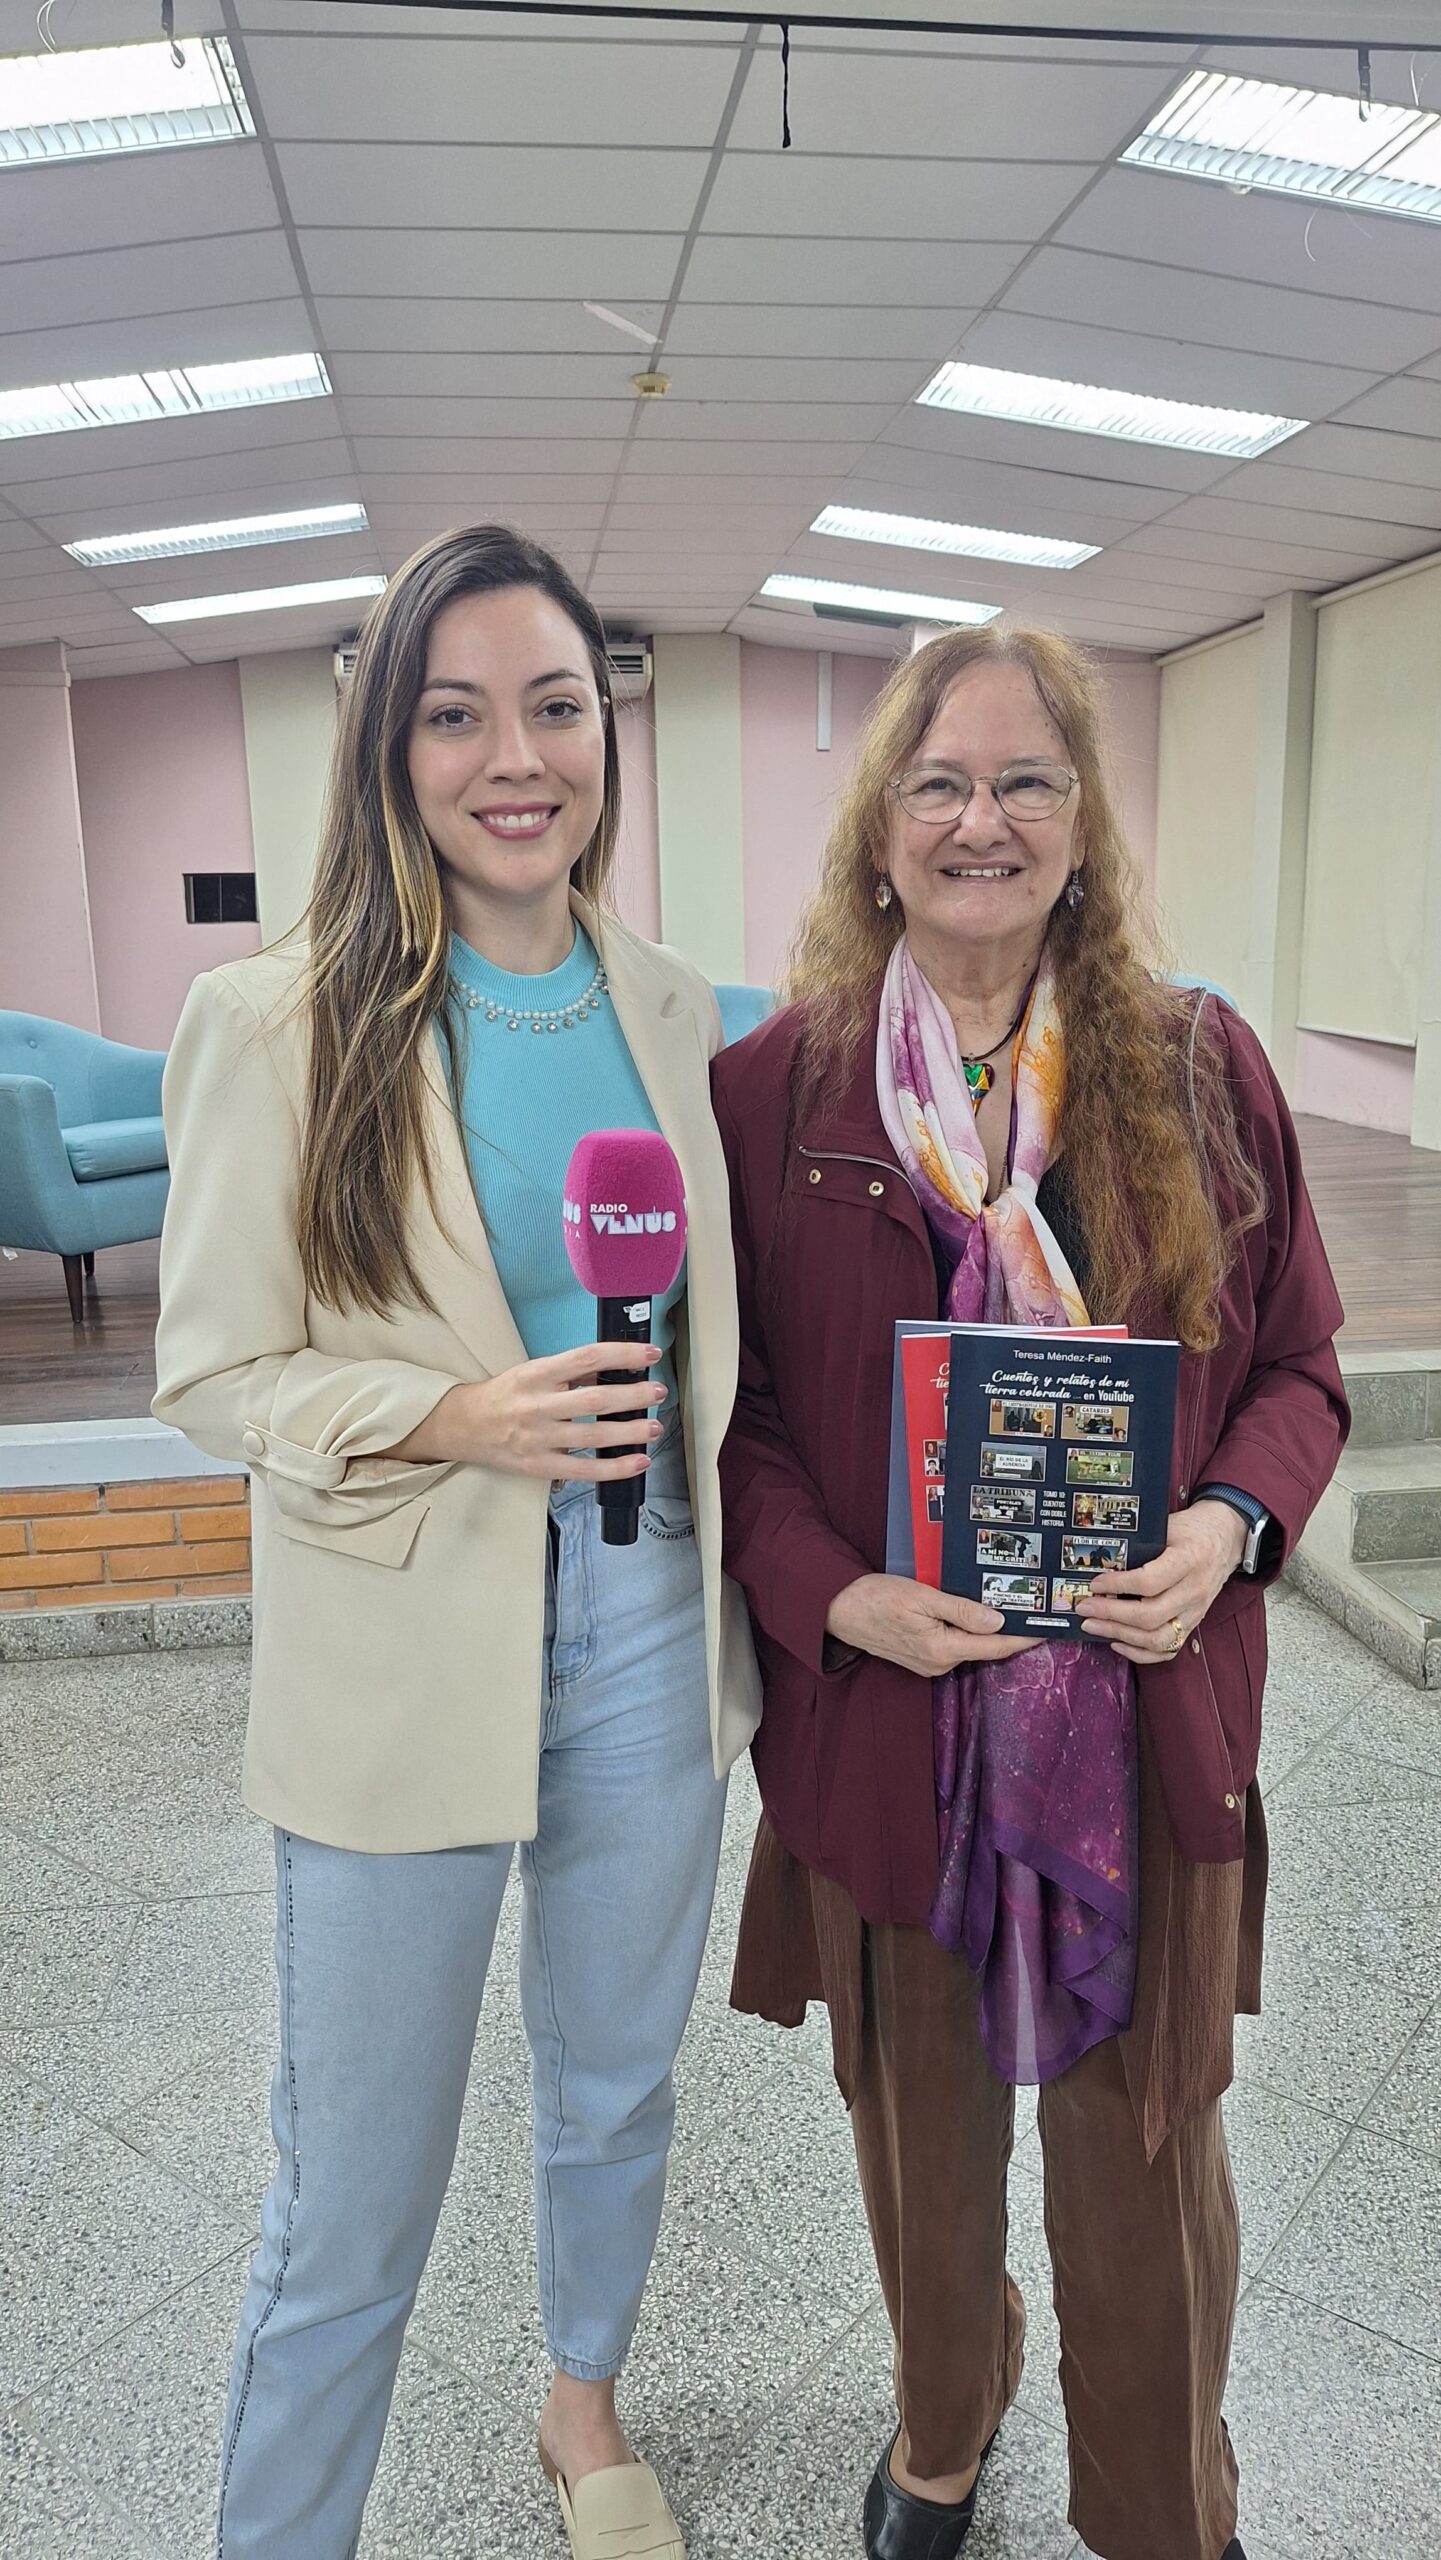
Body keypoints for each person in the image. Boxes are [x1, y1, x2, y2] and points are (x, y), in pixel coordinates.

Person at [153, 524, 760, 2560]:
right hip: (406, 1627)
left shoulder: (674, 1009)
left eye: (557, 707)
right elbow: (214, 1372)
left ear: (608, 733)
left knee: (616, 2080)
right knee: (351, 2190)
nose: (517, 757)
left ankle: (581, 2406)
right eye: (456, 713)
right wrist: (445, 1414)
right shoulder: (275, 1018)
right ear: (388, 747)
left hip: (650, 1603)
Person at [711, 623, 1347, 2560]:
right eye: (938, 782)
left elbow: (1301, 1370)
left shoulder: (1195, 1067)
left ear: (1082, 824)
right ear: (877, 828)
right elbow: (732, 1426)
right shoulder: (774, 1092)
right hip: (888, 1724)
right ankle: (943, 2424)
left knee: (1143, 2155)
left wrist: (1221, 1528)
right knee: (919, 2139)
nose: (978, 820)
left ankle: (1161, 2507)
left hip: (1138, 1723)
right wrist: (838, 1597)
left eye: (1023, 782)